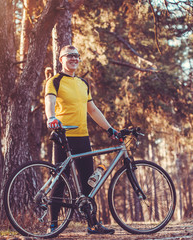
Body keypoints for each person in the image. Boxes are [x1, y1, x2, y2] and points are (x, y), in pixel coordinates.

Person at [44, 45, 118, 234]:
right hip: (64, 136)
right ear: (61, 59)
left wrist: (109, 129)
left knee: (88, 183)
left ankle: (93, 224)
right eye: (69, 56)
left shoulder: (83, 83)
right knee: (61, 180)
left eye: (76, 56)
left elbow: (92, 110)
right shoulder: (55, 81)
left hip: (82, 137)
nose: (74, 59)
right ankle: (53, 225)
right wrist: (51, 118)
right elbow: (49, 102)